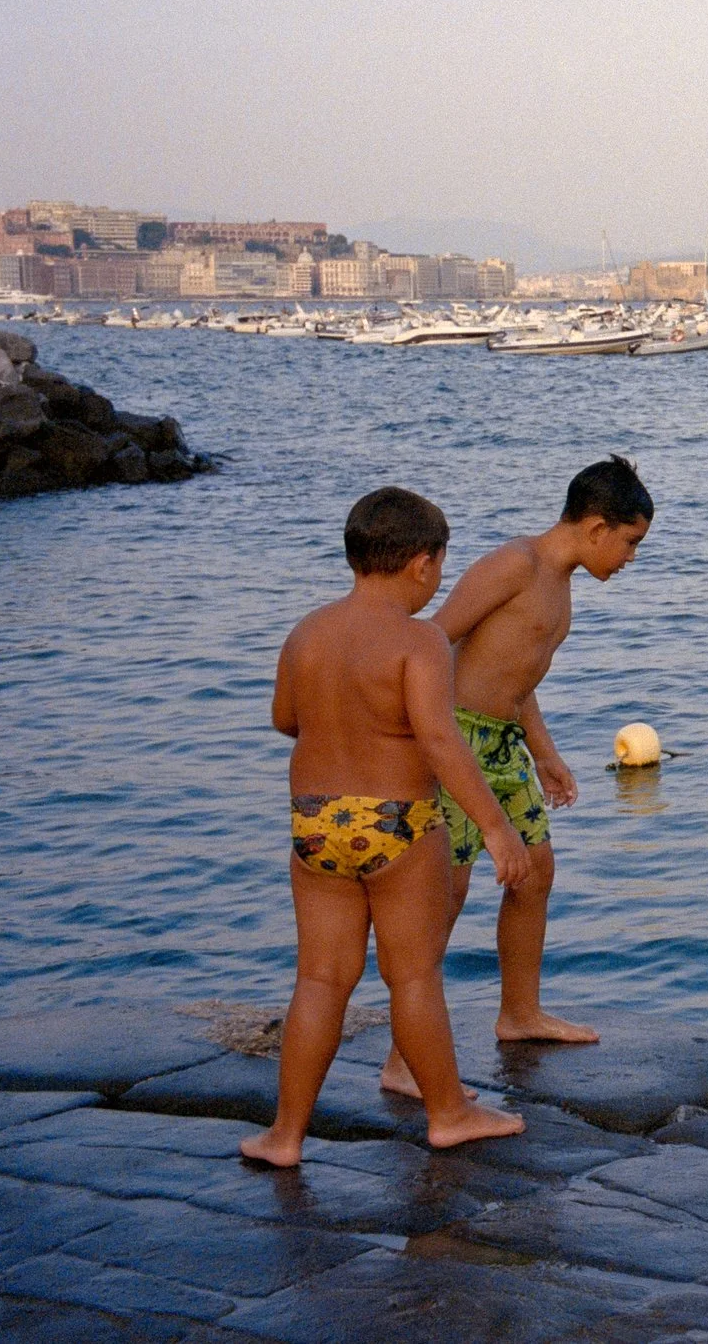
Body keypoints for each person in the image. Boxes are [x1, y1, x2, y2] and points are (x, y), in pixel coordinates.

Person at [240, 487, 532, 1167]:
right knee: (412, 975)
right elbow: (438, 740)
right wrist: (496, 826)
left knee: (319, 978)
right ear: (423, 565)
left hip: (316, 824)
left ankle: (285, 1135)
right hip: (399, 823)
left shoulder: (306, 632)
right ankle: (449, 1111)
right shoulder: (420, 639)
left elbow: (286, 717)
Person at [380, 456, 652, 1097]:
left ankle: (519, 1013)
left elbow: (515, 678)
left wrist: (546, 752)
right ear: (595, 527)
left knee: (535, 872)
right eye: (630, 542)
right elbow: (434, 639)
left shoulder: (560, 585)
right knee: (444, 894)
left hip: (503, 745)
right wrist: (419, 736)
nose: (631, 558)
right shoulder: (515, 565)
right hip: (457, 738)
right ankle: (401, 1059)